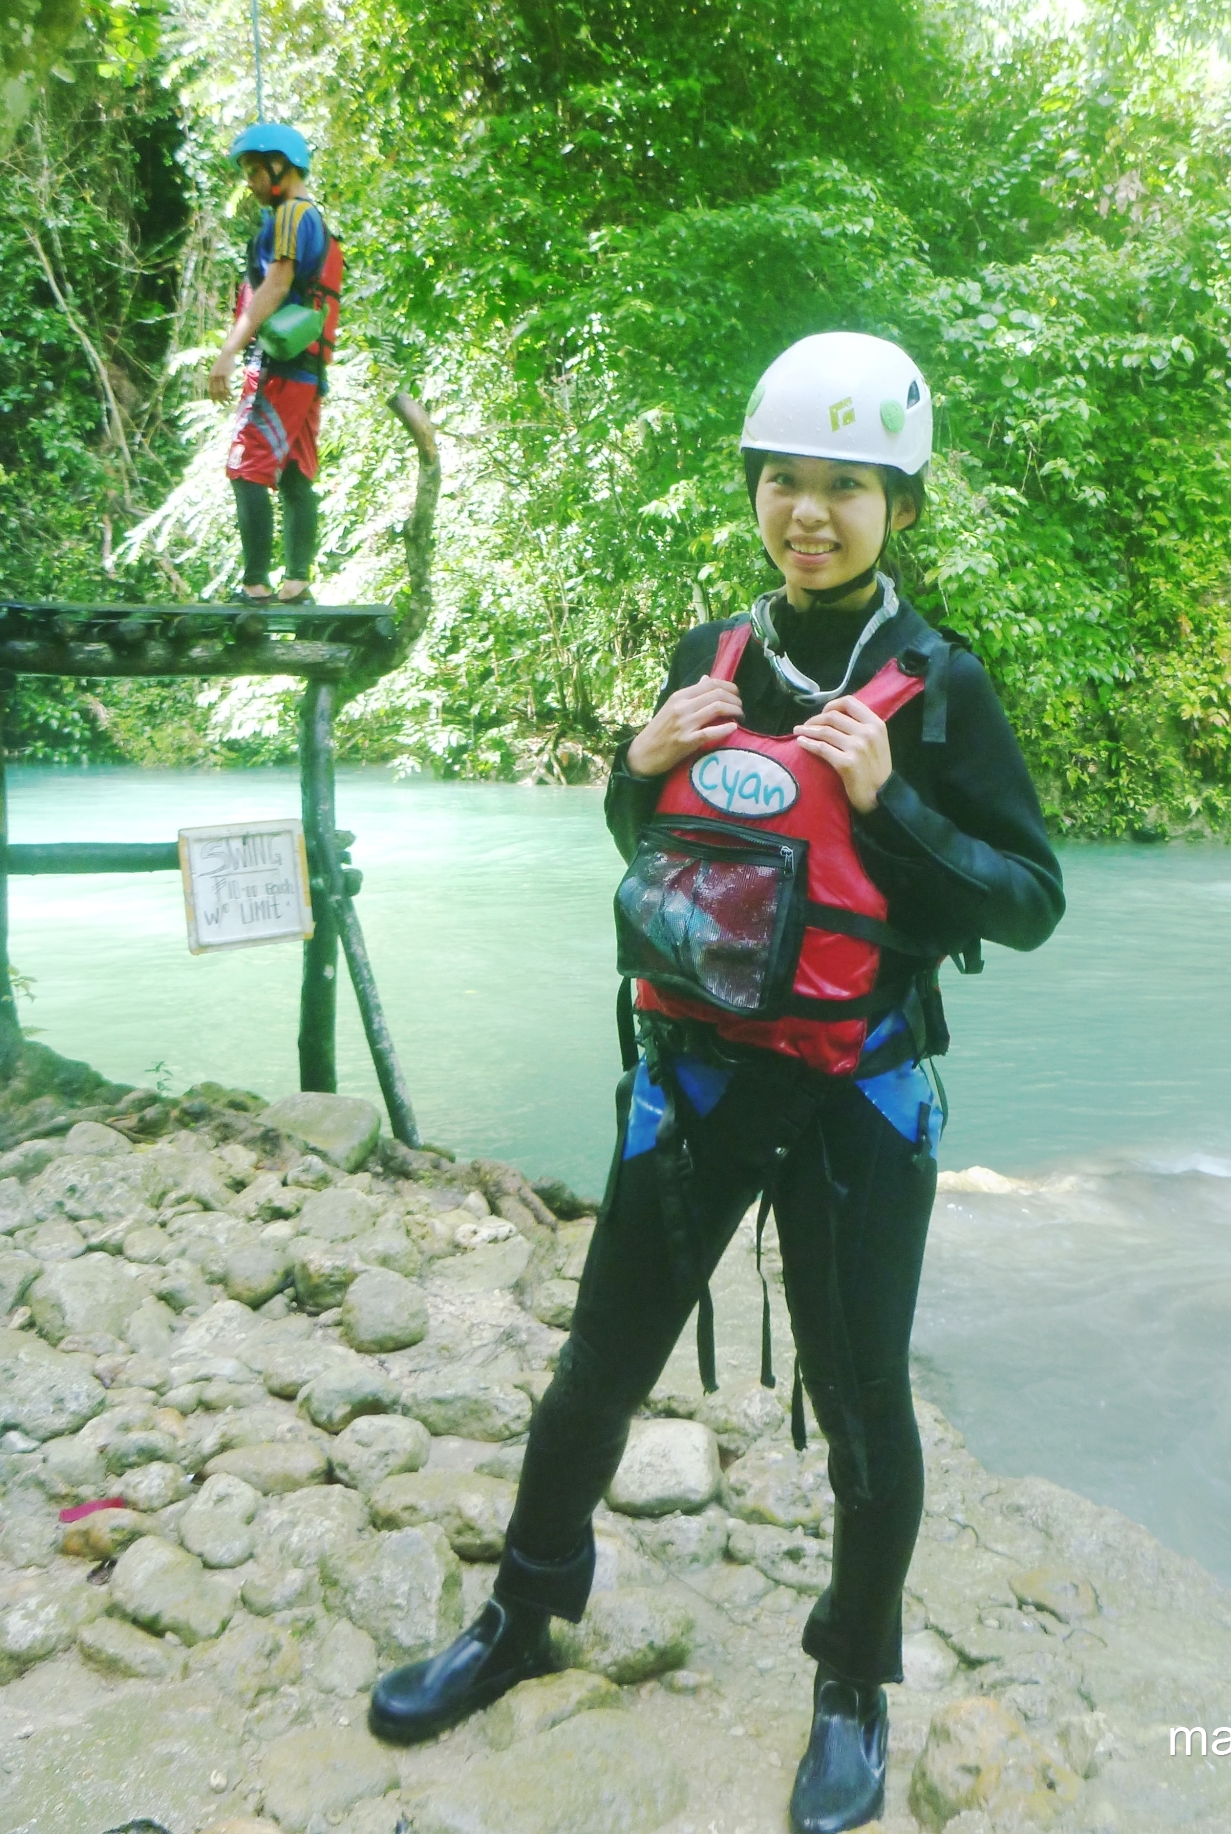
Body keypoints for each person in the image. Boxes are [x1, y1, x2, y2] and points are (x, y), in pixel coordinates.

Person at [367, 331, 1065, 1834]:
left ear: (899, 506)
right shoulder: (712, 656)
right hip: (691, 1087)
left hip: (859, 1098)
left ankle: (853, 1684)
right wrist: (631, 766)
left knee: (864, 1406)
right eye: (784, 483)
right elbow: (676, 872)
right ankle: (522, 1611)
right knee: (595, 1375)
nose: (808, 512)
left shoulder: (941, 688)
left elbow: (1026, 899)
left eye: (844, 488)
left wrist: (889, 805)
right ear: (756, 490)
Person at [207, 122, 343, 605]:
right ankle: (298, 581)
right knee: (296, 474)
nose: (249, 182)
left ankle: (255, 586)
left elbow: (275, 287)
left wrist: (228, 350)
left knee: (247, 468)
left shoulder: (291, 215)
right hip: (309, 370)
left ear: (279, 167)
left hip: (279, 368)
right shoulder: (316, 220)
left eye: (252, 170)